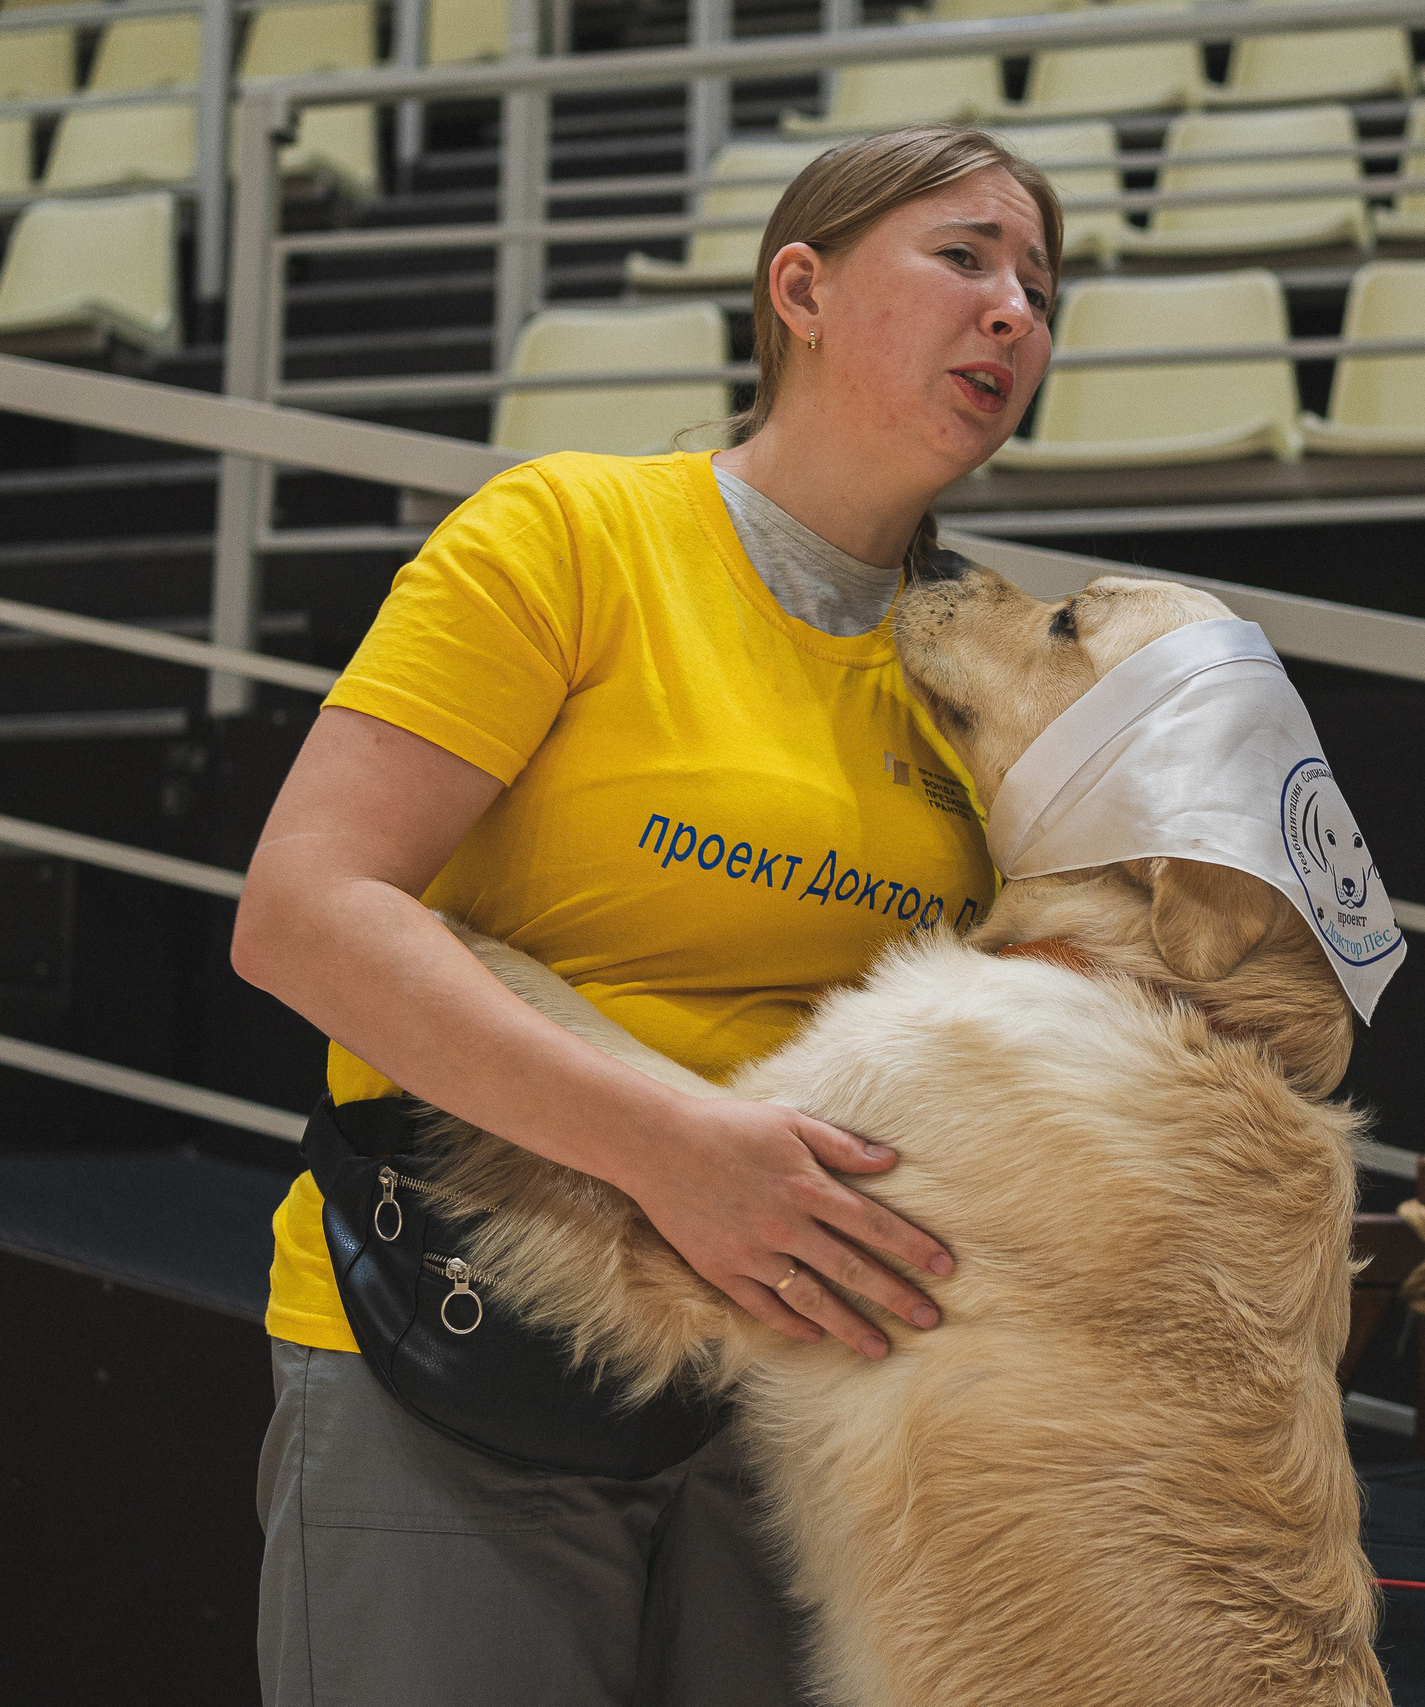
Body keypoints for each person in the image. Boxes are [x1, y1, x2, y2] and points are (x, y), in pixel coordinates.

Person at [231, 125, 1064, 1706]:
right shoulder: (569, 532)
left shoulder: (1000, 667)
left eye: (1040, 283)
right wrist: (676, 1151)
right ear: (799, 290)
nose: (1014, 311)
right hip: (470, 1338)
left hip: (819, 1400)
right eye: (965, 257)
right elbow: (305, 913)